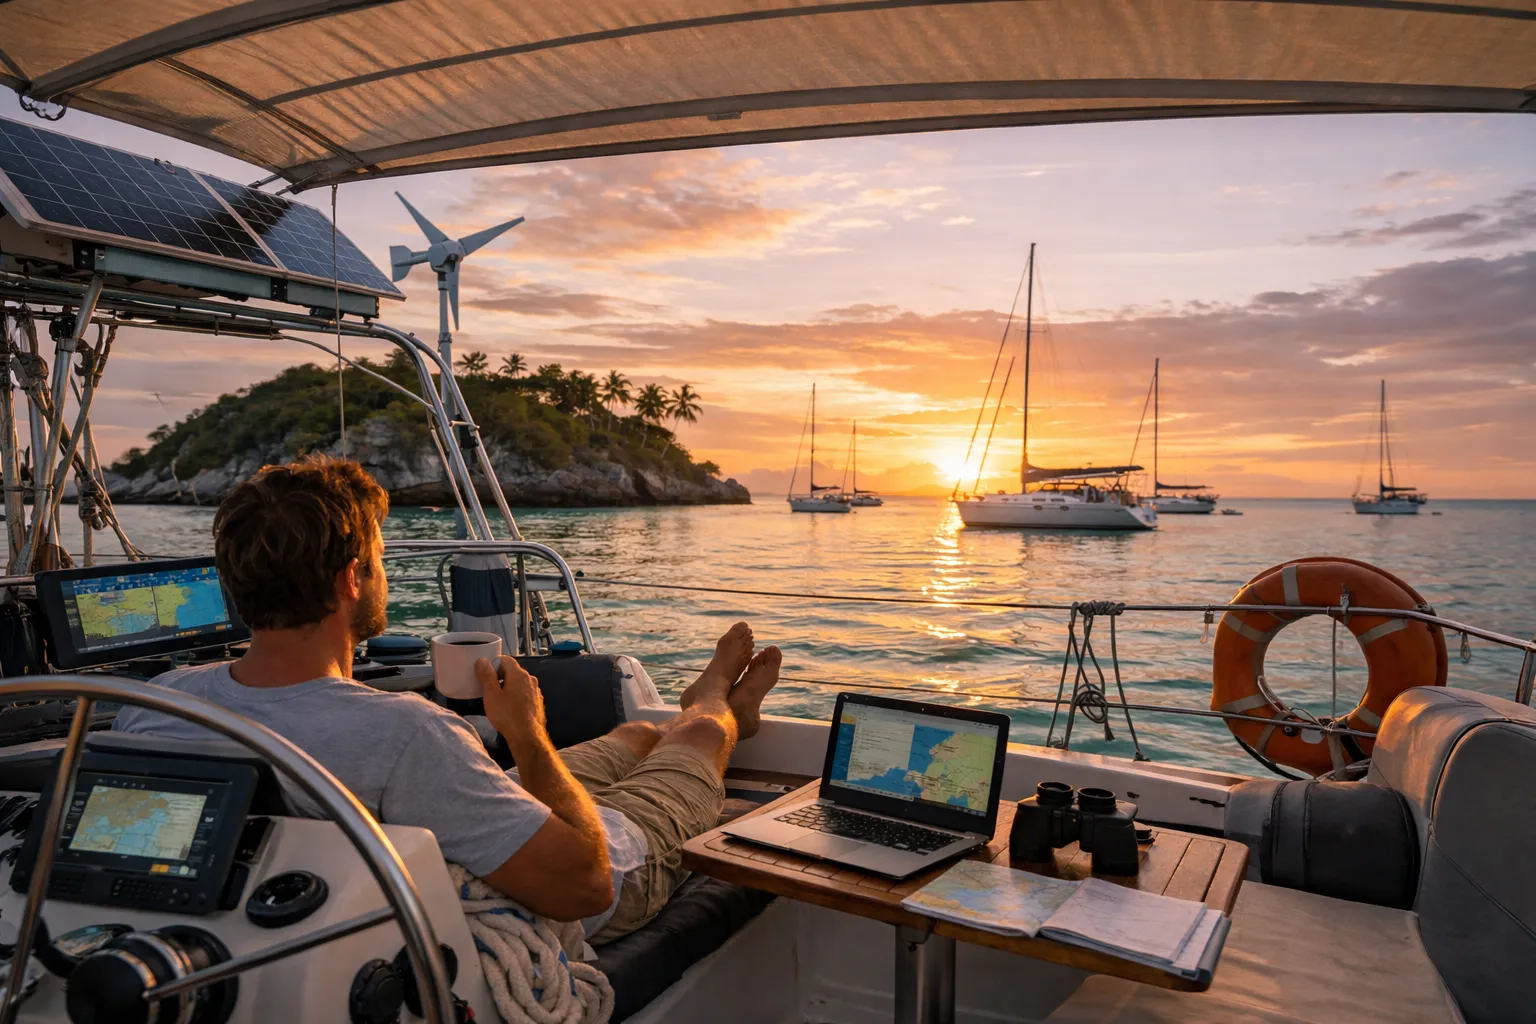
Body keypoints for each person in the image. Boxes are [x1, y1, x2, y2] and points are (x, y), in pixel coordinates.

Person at [114, 457, 781, 942]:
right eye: (379, 560)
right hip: (600, 870)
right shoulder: (407, 734)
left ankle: (690, 722)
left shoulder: (159, 704)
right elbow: (587, 885)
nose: (382, 574)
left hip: (455, 816)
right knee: (694, 738)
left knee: (637, 736)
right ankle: (716, 703)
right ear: (351, 580)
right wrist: (526, 734)